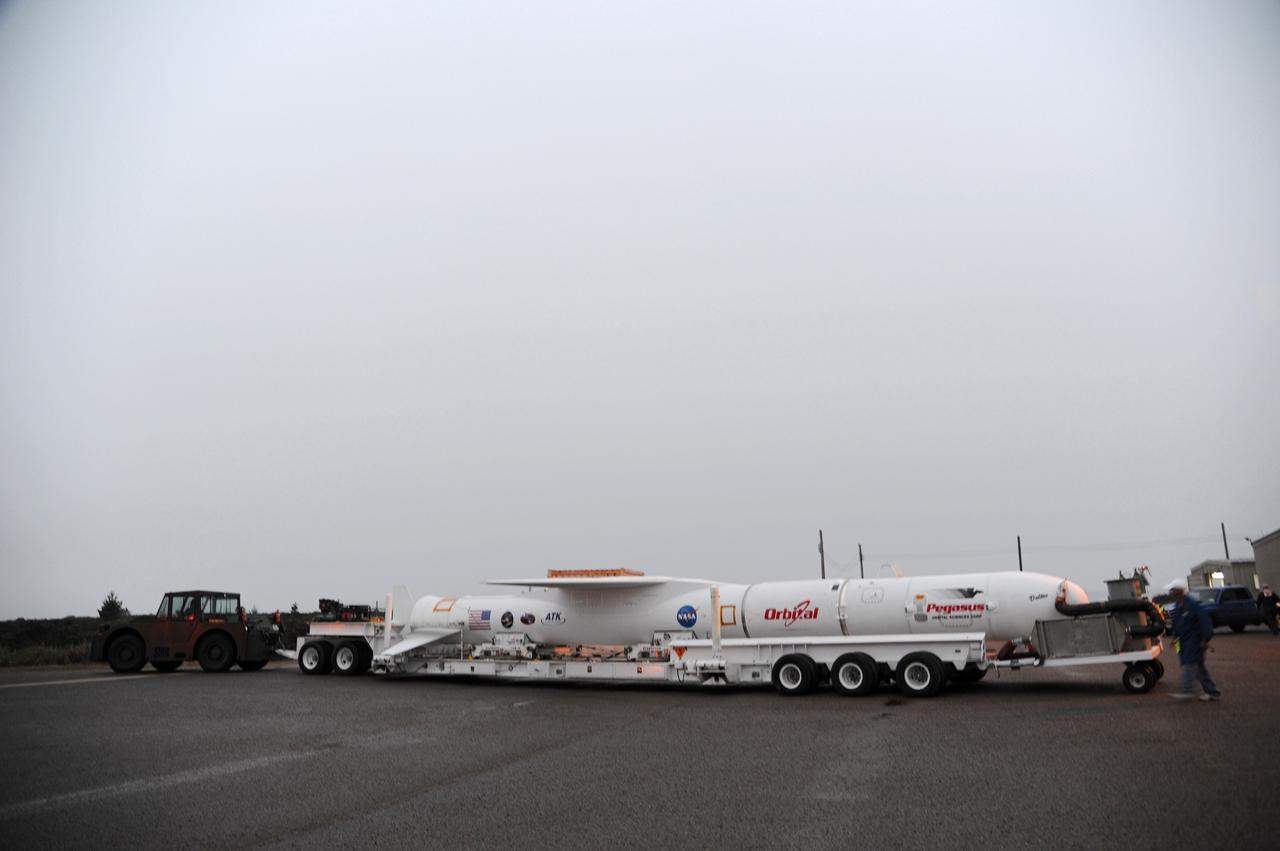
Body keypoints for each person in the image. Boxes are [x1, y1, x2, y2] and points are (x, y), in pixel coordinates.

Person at [1165, 578, 1221, 702]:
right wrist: (1174, 638)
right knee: (1199, 667)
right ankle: (1213, 692)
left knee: (1190, 665)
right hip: (1185, 641)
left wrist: (1206, 639)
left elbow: (1205, 622)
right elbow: (1177, 624)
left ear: (1179, 591)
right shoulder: (1179, 605)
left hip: (1194, 641)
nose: (1170, 592)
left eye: (1172, 590)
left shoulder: (1192, 605)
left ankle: (1187, 691)